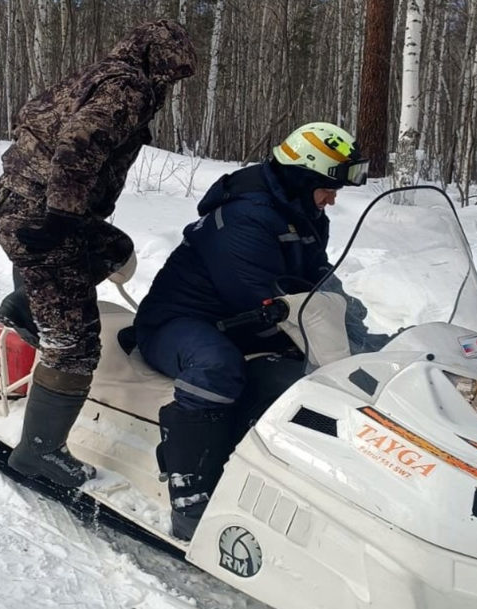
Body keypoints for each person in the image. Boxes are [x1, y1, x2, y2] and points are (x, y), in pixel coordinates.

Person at [133, 122, 388, 540]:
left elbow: (316, 277)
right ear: (305, 176)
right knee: (217, 367)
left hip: (244, 319)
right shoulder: (244, 217)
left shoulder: (304, 213)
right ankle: (191, 495)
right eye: (328, 185)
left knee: (318, 369)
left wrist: (358, 330)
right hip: (179, 322)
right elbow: (261, 295)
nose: (333, 197)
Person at [0, 20, 196, 488]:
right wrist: (61, 214)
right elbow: (80, 144)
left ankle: (29, 307)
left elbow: (32, 120)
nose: (171, 83)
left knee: (113, 247)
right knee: (76, 345)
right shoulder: (128, 87)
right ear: (154, 60)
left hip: (18, 200)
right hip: (43, 215)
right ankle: (39, 453)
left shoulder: (96, 75)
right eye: (171, 72)